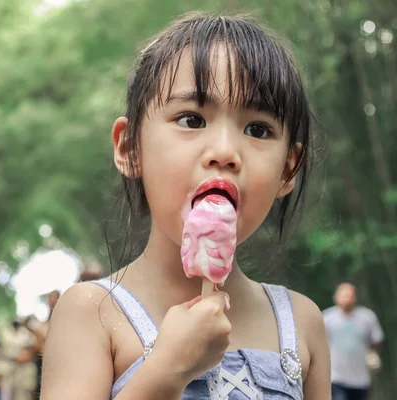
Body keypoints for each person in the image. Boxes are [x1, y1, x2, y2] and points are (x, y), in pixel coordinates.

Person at [41, 11, 331, 399]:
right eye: (192, 120)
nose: (225, 152)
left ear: (289, 169)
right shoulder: (91, 312)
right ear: (130, 148)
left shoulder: (302, 322)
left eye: (258, 129)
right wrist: (166, 372)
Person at [323, 282, 384, 400]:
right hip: (336, 377)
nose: (347, 298)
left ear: (355, 297)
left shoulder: (367, 317)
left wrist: (371, 354)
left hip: (361, 378)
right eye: (343, 295)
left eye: (349, 295)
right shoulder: (327, 318)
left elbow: (376, 339)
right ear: (336, 297)